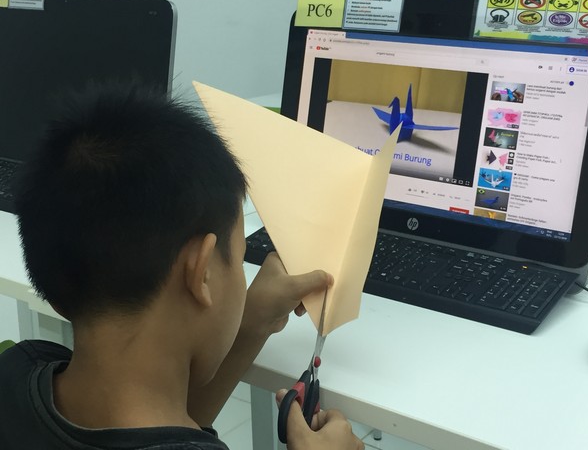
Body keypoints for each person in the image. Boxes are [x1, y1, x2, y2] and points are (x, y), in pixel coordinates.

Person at [0, 84, 364, 450]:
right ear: (202, 272)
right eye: (239, 260)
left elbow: (160, 429)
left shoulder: (18, 369)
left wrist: (253, 321)